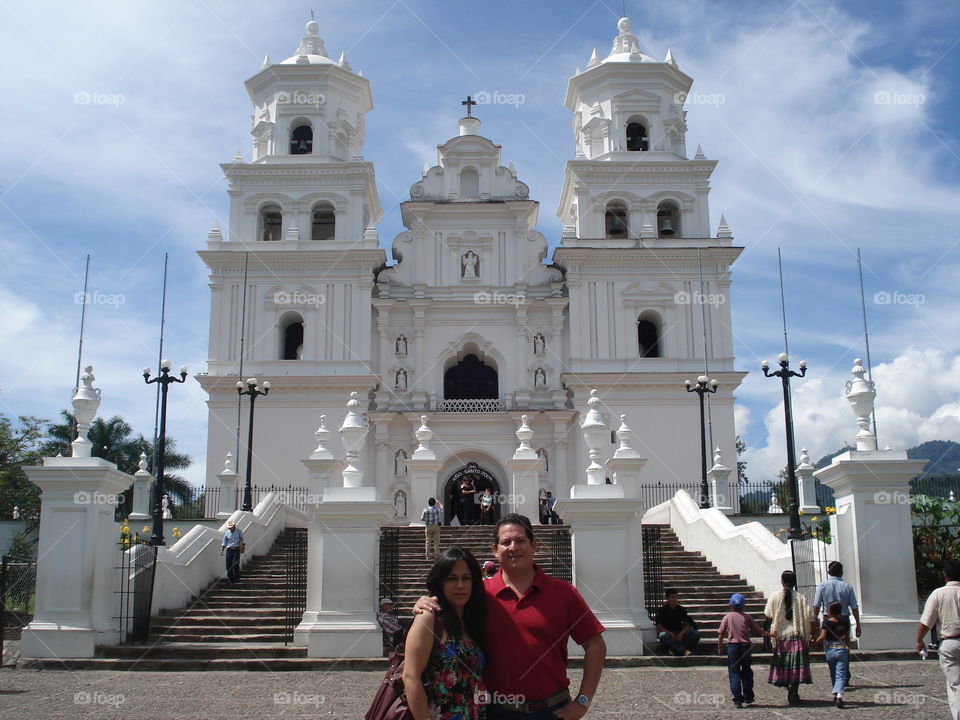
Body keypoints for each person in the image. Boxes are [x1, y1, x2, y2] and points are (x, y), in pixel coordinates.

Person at [415, 513, 606, 719]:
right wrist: (424, 603)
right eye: (506, 542)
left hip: (552, 710)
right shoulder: (478, 595)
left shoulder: (563, 592)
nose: (513, 547)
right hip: (495, 711)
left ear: (534, 545)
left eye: (520, 541)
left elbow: (595, 645)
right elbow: (447, 604)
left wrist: (583, 701)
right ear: (495, 549)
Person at [403, 547, 487, 720]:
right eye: (452, 578)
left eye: (466, 578)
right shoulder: (429, 617)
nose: (460, 585)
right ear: (440, 582)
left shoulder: (475, 620)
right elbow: (410, 677)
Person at [916, 558, 960, 720]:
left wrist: (919, 640)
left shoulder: (939, 594)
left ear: (945, 575)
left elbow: (927, 621)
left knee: (955, 684)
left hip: (949, 643)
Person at [765, 569, 813, 705]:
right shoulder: (801, 598)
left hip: (781, 638)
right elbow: (810, 617)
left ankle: (789, 689)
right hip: (797, 637)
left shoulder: (774, 597)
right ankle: (794, 690)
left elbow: (768, 614)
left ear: (782, 581)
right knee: (796, 668)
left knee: (784, 667)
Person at [717, 592, 773, 708]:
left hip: (732, 647)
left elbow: (721, 634)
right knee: (747, 671)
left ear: (730, 605)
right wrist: (770, 634)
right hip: (745, 647)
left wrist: (720, 647)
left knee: (734, 672)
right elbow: (758, 630)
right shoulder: (747, 617)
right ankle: (748, 695)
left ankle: (738, 698)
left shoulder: (727, 617)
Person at [815, 601, 850, 708]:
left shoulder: (826, 622)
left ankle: (836, 692)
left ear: (830, 611)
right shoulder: (844, 621)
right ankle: (839, 695)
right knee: (841, 674)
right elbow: (847, 637)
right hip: (842, 649)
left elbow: (822, 637)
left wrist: (814, 641)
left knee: (833, 673)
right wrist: (848, 648)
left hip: (830, 650)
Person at [656, 589, 700, 656]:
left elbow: (687, 625)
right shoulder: (662, 610)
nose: (675, 599)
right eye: (672, 597)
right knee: (662, 636)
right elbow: (659, 626)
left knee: (695, 634)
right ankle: (682, 649)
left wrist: (682, 633)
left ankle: (674, 648)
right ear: (668, 599)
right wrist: (670, 633)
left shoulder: (681, 609)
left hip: (679, 633)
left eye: (676, 597)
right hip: (668, 634)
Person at [219, 518, 244, 583]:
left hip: (236, 549)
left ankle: (237, 578)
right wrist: (222, 550)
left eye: (231, 527)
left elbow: (242, 540)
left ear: (234, 526)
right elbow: (224, 542)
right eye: (229, 527)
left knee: (235, 564)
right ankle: (231, 579)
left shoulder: (239, 531)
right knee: (228, 565)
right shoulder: (227, 532)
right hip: (229, 550)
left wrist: (242, 548)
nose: (230, 528)